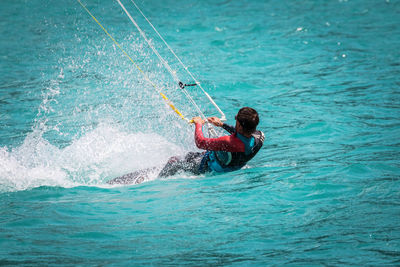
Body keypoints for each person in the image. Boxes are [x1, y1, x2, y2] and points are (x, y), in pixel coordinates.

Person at [158, 107, 264, 177]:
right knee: (186, 157)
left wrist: (198, 124)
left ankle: (153, 179)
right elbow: (242, 134)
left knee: (173, 162)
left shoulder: (229, 142)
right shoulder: (259, 137)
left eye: (236, 119)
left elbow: (200, 143)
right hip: (227, 165)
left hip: (206, 166)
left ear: (240, 125)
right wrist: (222, 125)